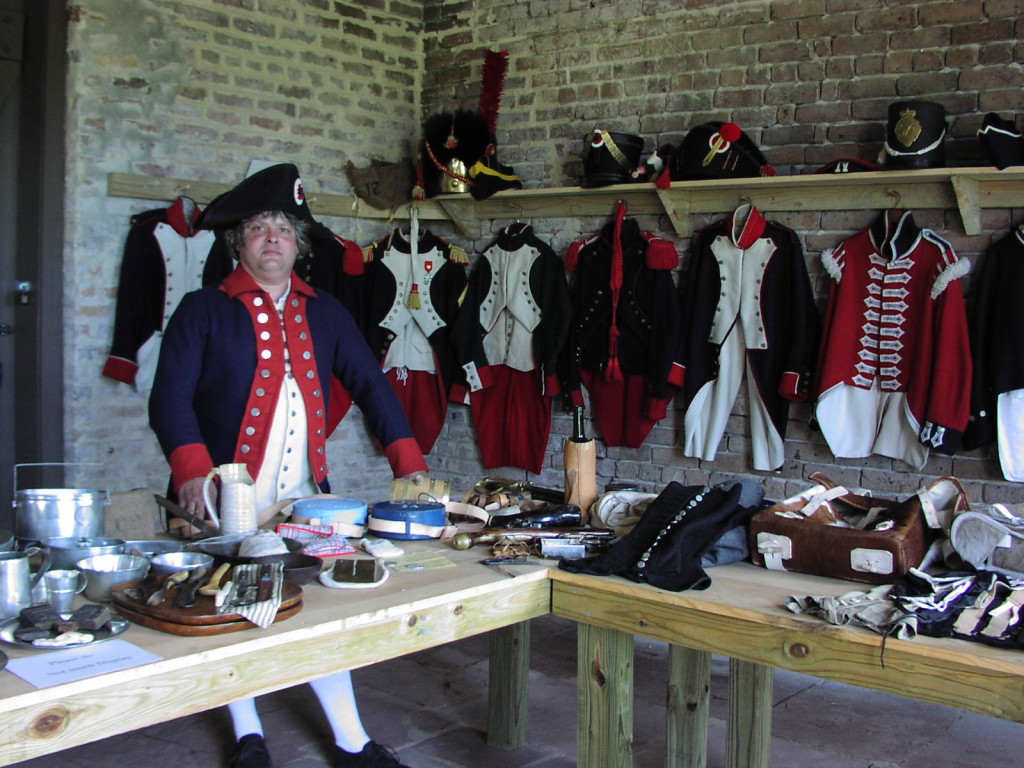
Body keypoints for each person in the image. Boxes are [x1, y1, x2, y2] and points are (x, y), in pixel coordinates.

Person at [149, 163, 428, 768]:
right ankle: (249, 735)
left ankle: (351, 741)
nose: (271, 237)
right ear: (238, 243)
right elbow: (168, 398)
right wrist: (192, 469)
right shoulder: (202, 308)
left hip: (303, 497)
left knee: (320, 616)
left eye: (282, 227)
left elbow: (371, 385)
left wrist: (407, 460)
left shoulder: (324, 310)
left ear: (298, 244)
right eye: (257, 228)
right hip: (224, 500)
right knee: (232, 612)